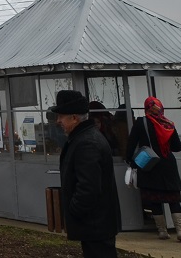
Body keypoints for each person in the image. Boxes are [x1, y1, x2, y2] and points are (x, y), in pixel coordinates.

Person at [51, 89, 120, 257]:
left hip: (95, 223)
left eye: (61, 116)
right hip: (96, 223)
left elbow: (88, 187)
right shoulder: (84, 138)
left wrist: (74, 210)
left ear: (74, 117)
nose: (58, 121)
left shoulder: (86, 142)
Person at [126, 96, 181, 242]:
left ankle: (162, 231)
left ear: (146, 108)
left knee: (154, 199)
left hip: (149, 164)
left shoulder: (141, 123)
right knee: (173, 199)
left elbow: (131, 143)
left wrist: (130, 160)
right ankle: (180, 232)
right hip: (168, 165)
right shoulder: (168, 124)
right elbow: (177, 147)